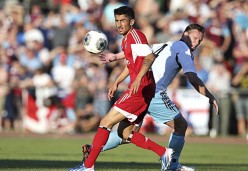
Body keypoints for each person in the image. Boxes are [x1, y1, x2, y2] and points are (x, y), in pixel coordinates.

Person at [96, 24, 219, 170]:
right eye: (194, 38)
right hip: (154, 93)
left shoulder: (164, 45)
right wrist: (210, 96)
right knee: (180, 125)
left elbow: (138, 55)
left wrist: (115, 57)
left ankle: (92, 149)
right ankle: (171, 165)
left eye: (199, 41)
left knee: (127, 132)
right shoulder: (183, 48)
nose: (196, 43)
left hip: (139, 91)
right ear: (185, 34)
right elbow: (192, 77)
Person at [68, 6, 174, 171]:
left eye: (123, 20)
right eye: (117, 21)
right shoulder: (126, 39)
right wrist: (116, 81)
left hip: (140, 88)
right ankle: (164, 153)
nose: (119, 24)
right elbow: (131, 61)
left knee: (105, 123)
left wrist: (138, 78)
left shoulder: (136, 36)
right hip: (143, 88)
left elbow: (149, 56)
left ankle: (87, 167)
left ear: (131, 21)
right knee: (125, 133)